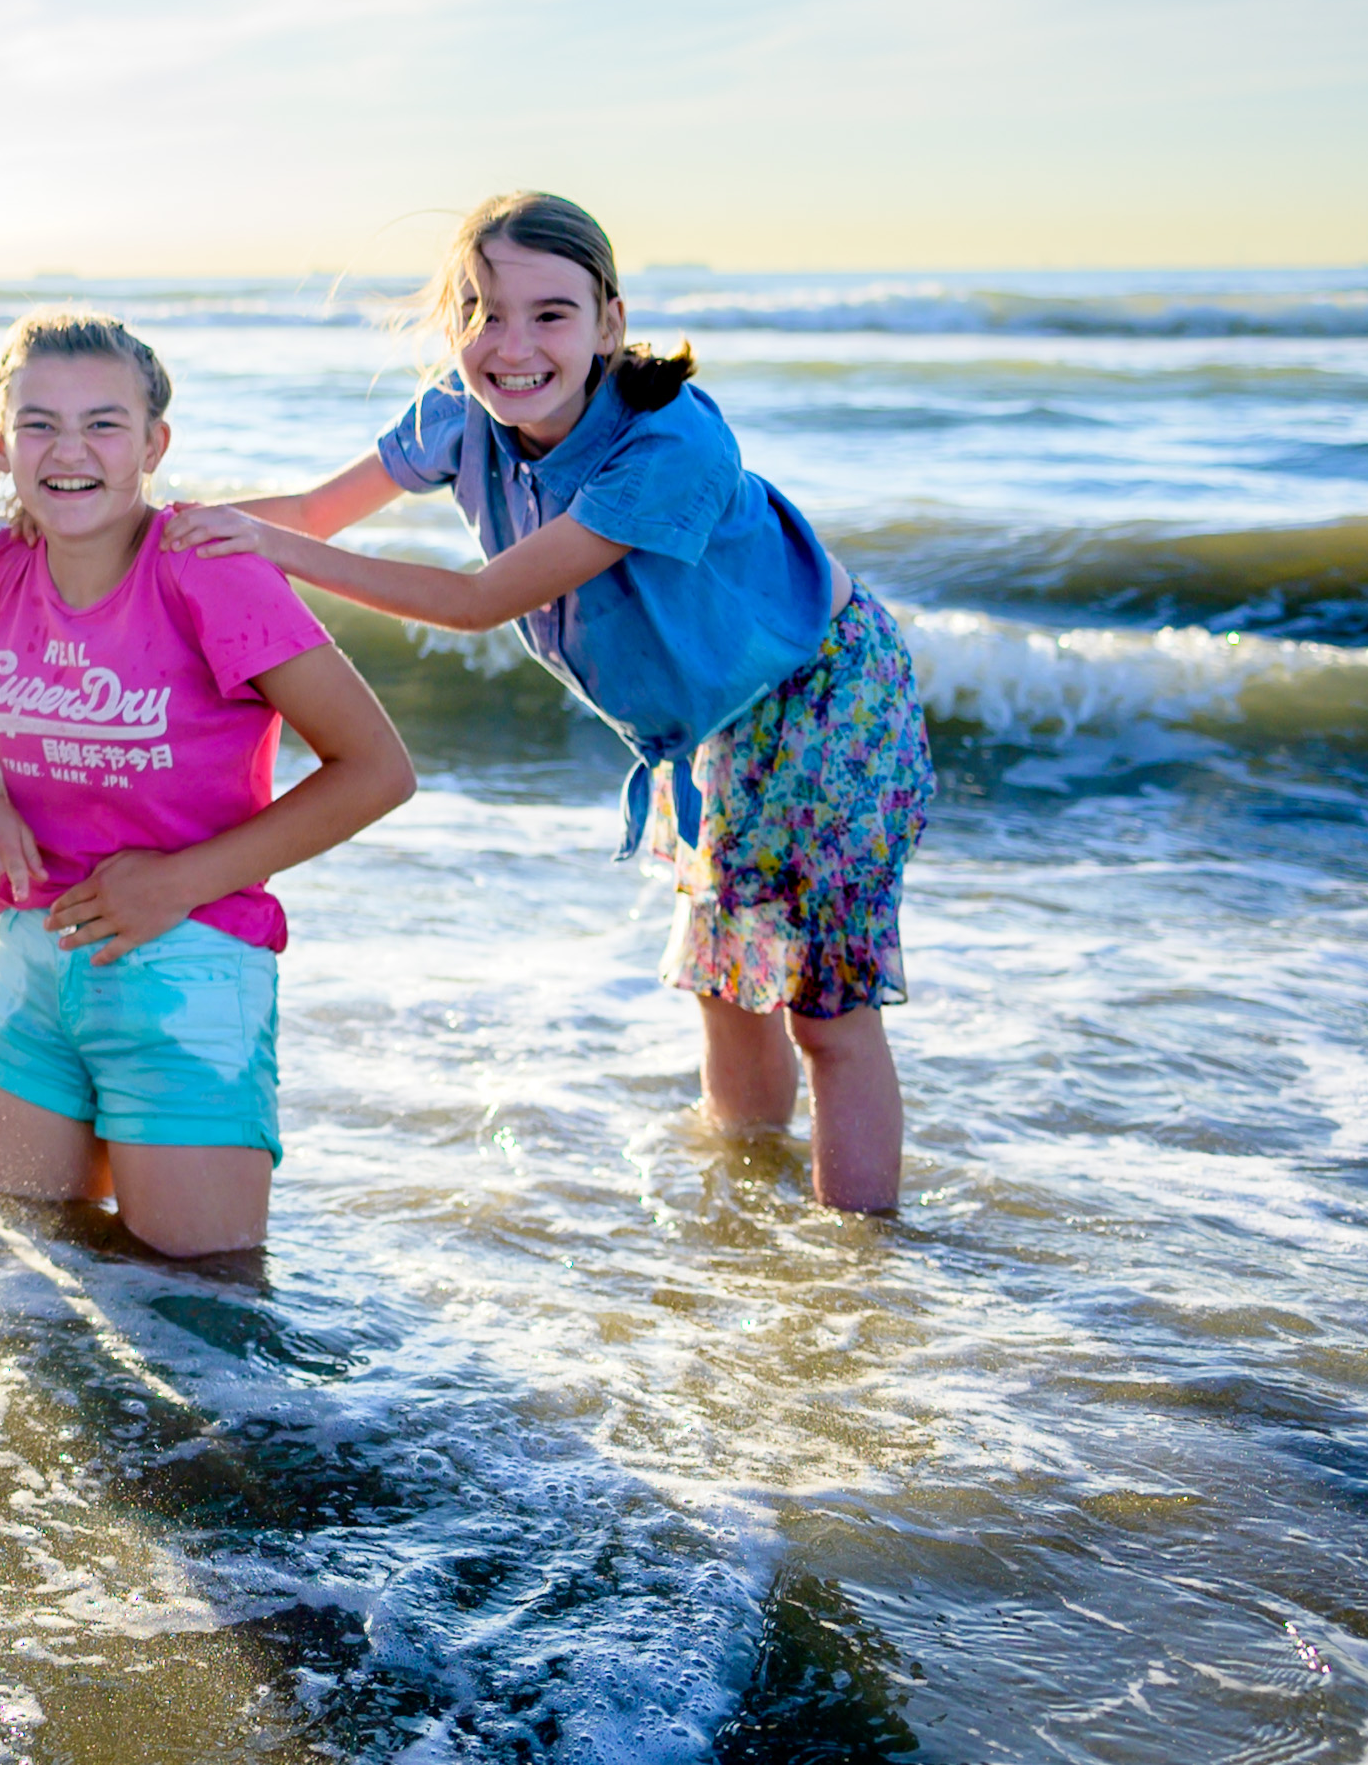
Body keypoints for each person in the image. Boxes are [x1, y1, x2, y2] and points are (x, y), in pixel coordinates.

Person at [170, 192, 928, 1211]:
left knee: (823, 1011)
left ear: (609, 324)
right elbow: (310, 510)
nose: (509, 344)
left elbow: (478, 601)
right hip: (707, 721)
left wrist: (275, 549)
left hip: (823, 688)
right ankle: (747, 1225)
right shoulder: (458, 414)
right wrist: (143, 530)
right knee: (723, 979)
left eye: (550, 314)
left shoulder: (667, 446)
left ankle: (853, 1276)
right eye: (481, 310)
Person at [0, 312, 415, 1259]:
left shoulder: (207, 573)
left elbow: (377, 771)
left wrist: (174, 883)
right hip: (35, 968)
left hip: (189, 972)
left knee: (204, 1318)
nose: (69, 450)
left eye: (104, 424)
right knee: (19, 1280)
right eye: (38, 424)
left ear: (154, 444)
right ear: (2, 446)